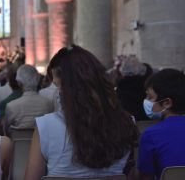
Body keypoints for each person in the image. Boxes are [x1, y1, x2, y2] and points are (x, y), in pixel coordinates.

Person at [24, 45, 138, 179]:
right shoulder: (126, 123)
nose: (58, 93)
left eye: (59, 86)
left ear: (69, 88)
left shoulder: (46, 126)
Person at [137, 69, 185, 180]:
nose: (147, 101)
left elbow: (145, 177)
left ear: (167, 103)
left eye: (150, 97)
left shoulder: (151, 135)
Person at [4, 64, 53, 135]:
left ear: (19, 83)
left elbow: (6, 132)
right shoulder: (49, 104)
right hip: (43, 145)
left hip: (18, 145)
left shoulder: (11, 106)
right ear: (38, 80)